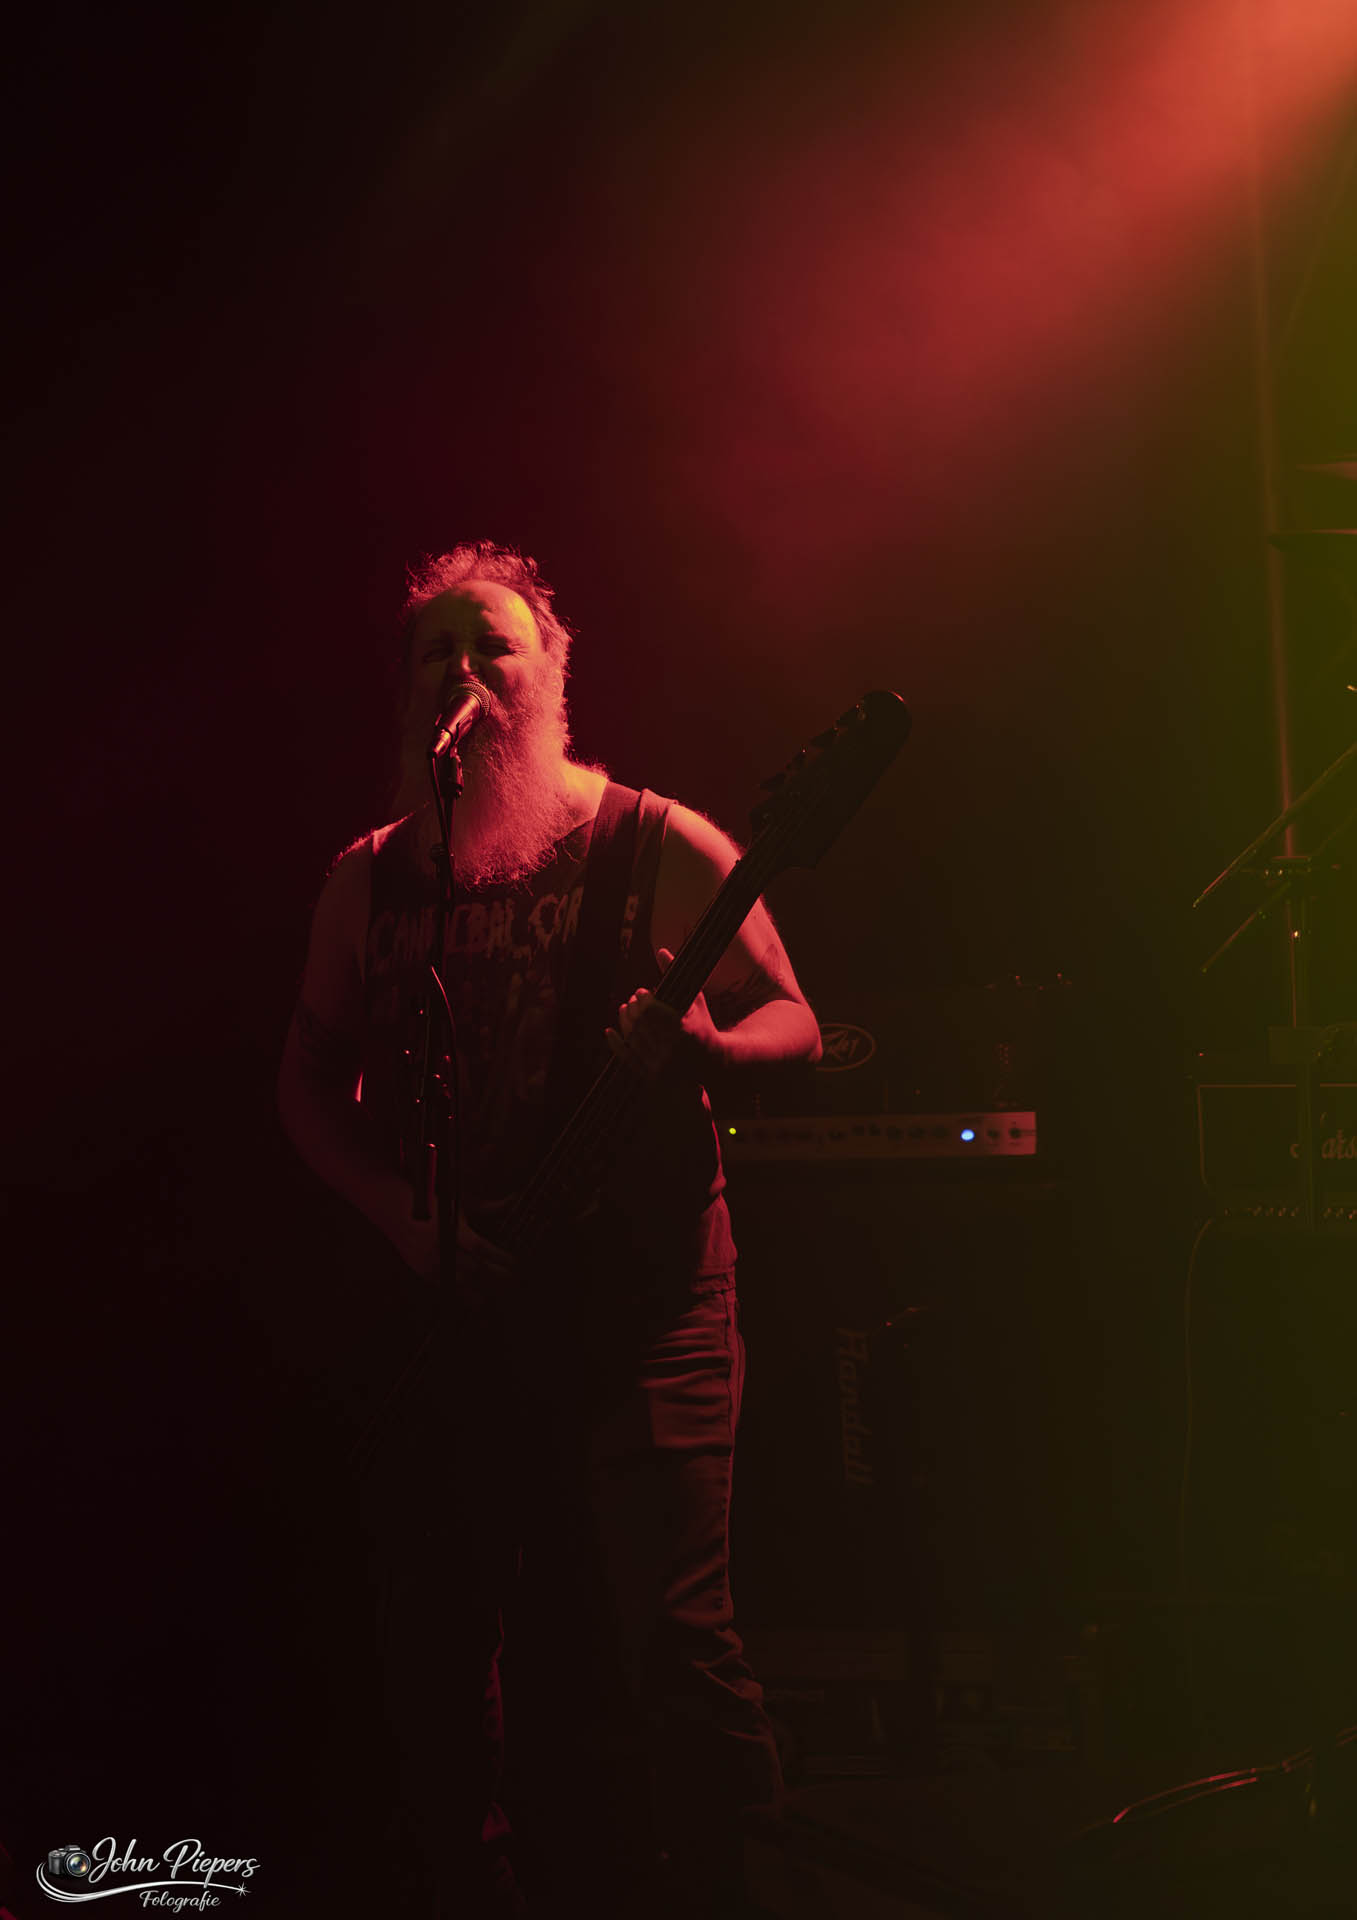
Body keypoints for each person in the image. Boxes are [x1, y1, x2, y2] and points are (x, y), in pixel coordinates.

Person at [277, 541, 822, 1917]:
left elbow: (796, 1021)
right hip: (464, 1311)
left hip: (649, 1306)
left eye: (493, 645)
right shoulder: (370, 882)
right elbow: (306, 1084)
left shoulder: (653, 841)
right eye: (434, 651)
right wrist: (403, 1220)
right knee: (454, 1641)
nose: (462, 670)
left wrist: (706, 1051)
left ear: (550, 674)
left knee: (672, 1636)